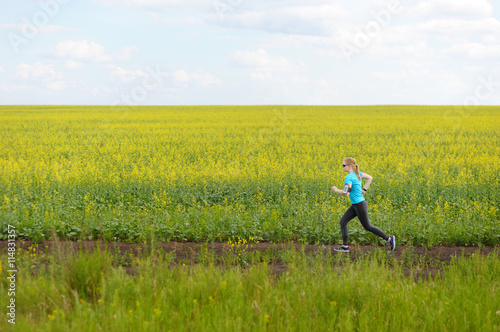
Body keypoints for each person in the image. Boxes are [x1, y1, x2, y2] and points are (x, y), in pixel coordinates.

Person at [331, 157, 395, 252]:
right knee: (343, 222)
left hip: (359, 205)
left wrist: (335, 190)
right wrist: (364, 190)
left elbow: (346, 193)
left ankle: (389, 239)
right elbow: (370, 177)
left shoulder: (349, 177)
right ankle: (345, 246)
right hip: (356, 205)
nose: (342, 167)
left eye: (343, 165)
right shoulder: (358, 174)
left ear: (349, 166)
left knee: (367, 226)